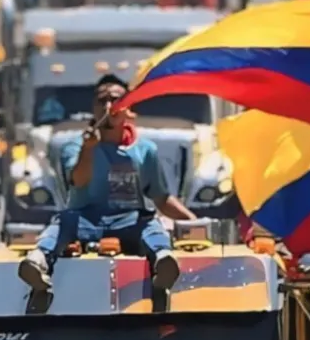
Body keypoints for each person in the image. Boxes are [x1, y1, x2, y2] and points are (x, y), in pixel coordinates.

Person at [19, 75, 194, 302]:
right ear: (94, 109)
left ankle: (163, 261)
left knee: (151, 224)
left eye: (116, 100)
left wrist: (194, 222)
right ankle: (38, 261)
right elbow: (79, 180)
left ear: (129, 109)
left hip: (129, 220)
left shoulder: (145, 150)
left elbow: (160, 197)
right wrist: (88, 150)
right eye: (102, 101)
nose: (109, 106)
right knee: (64, 221)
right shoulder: (75, 147)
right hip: (86, 220)